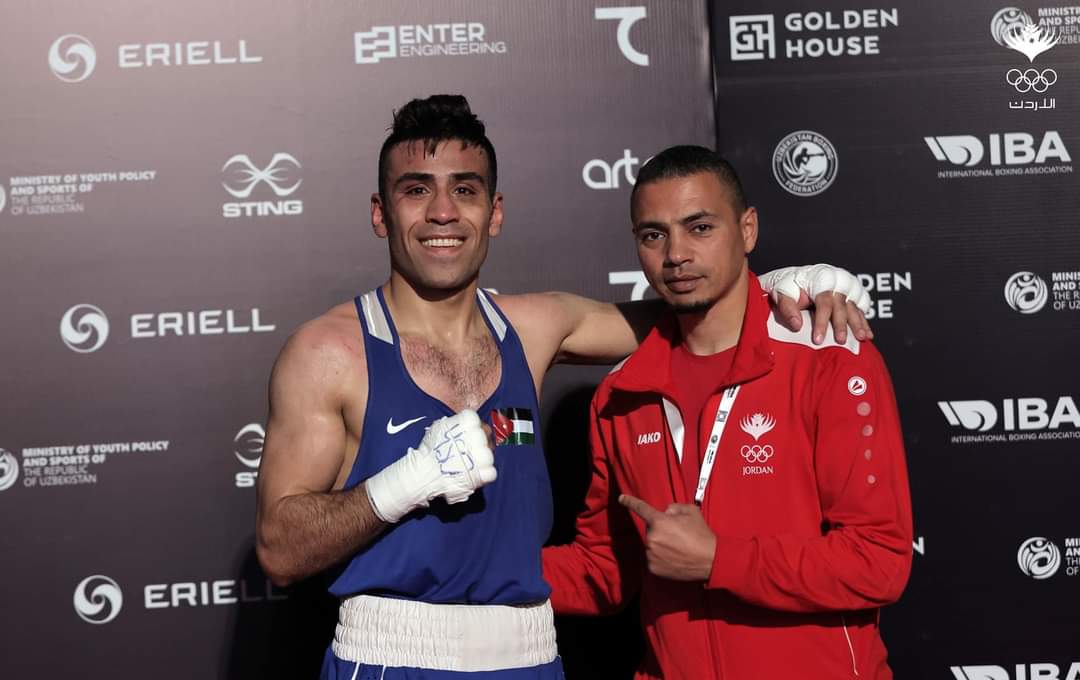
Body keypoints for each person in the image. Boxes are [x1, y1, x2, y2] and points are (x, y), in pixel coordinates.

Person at [253, 96, 872, 679]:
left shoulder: (535, 326)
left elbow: (689, 309)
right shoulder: (329, 353)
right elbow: (280, 550)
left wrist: (785, 284)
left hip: (531, 654)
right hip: (392, 656)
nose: (442, 212)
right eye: (416, 191)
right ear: (380, 213)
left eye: (465, 190)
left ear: (494, 212)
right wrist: (405, 483)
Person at [542, 146, 913, 679]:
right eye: (654, 235)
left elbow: (878, 562)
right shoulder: (621, 395)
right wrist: (465, 566)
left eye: (700, 228)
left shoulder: (829, 359)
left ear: (748, 229)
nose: (676, 254)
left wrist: (720, 560)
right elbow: (605, 571)